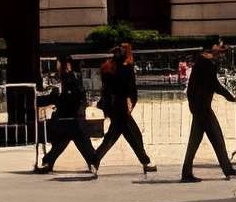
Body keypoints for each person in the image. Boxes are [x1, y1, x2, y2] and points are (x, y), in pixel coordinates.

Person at [90, 41, 155, 176]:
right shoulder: (125, 67)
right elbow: (130, 88)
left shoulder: (109, 67)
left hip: (114, 106)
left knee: (127, 135)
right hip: (121, 107)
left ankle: (145, 161)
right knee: (126, 136)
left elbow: (108, 90)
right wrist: (131, 102)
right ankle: (94, 161)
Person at [179, 39, 236, 182]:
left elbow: (195, 88)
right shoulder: (206, 64)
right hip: (203, 108)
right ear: (211, 47)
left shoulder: (203, 62)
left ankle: (187, 173)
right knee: (217, 138)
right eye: (219, 47)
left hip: (200, 107)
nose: (221, 53)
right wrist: (229, 97)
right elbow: (214, 84)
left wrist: (193, 106)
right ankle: (228, 170)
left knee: (195, 141)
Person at [34, 54, 96, 175]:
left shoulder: (68, 78)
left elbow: (66, 97)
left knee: (77, 142)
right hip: (71, 117)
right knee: (68, 143)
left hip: (71, 117)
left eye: (58, 62)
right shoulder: (70, 78)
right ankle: (92, 162)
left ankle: (93, 161)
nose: (56, 65)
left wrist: (49, 100)